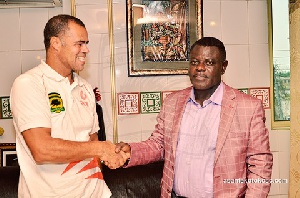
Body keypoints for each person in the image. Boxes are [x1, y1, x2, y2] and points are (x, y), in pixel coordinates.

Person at [115, 37, 273, 198]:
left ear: (223, 67)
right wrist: (131, 151)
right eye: (194, 62)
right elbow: (159, 145)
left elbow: (260, 163)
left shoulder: (248, 107)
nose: (200, 68)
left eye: (209, 63)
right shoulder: (172, 102)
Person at [10, 14, 127, 198]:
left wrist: (113, 155)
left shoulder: (85, 88)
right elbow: (41, 150)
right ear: (56, 43)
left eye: (86, 43)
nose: (86, 49)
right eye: (79, 44)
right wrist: (100, 149)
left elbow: (93, 142)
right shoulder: (29, 83)